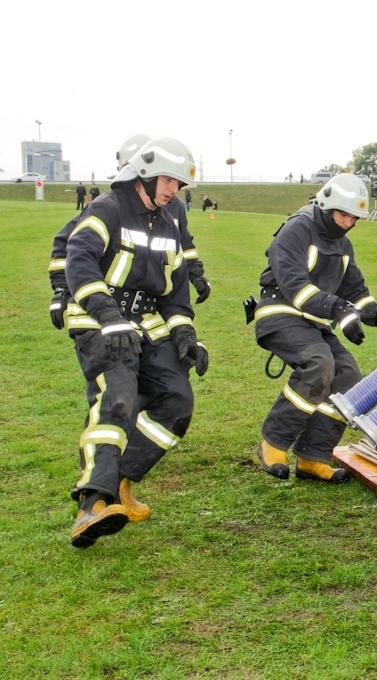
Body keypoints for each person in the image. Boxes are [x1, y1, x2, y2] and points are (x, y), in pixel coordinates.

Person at [62, 136, 209, 548]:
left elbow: (175, 290)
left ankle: (122, 480)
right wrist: (109, 318)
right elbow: (79, 260)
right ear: (143, 173)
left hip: (146, 320)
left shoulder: (168, 220)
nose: (172, 190)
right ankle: (92, 502)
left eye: (179, 185)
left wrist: (184, 335)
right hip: (100, 319)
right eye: (168, 180)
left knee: (177, 402)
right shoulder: (107, 208)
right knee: (119, 398)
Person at [253, 173, 377, 484]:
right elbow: (296, 287)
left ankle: (313, 455)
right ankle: (273, 442)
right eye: (343, 215)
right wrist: (339, 311)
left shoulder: (343, 244)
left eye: (354, 218)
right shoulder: (296, 229)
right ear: (326, 206)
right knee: (319, 364)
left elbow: (356, 292)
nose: (348, 222)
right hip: (280, 311)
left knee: (348, 376)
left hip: (312, 320)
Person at [48, 134, 211, 333]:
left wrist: (196, 275)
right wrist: (62, 289)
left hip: (153, 308)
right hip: (108, 306)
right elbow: (70, 245)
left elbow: (183, 246)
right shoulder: (110, 207)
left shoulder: (173, 207)